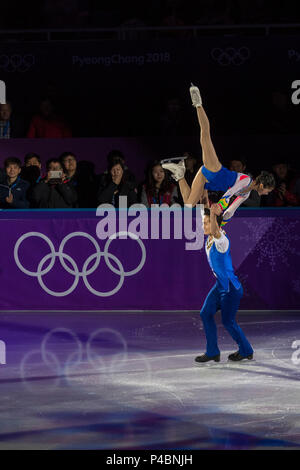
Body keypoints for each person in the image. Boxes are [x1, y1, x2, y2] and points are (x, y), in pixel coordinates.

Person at [162, 84, 275, 226]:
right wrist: (219, 207)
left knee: (189, 205)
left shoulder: (245, 194)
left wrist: (220, 226)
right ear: (262, 185)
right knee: (205, 137)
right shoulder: (246, 180)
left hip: (208, 180)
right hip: (215, 171)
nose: (267, 193)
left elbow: (231, 211)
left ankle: (179, 174)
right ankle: (198, 104)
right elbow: (229, 194)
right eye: (267, 190)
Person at [196, 201, 254, 363]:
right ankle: (212, 351)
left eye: (207, 223)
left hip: (230, 289)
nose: (203, 225)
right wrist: (203, 189)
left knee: (228, 322)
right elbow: (203, 207)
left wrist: (213, 215)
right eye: (204, 222)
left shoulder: (222, 241)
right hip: (220, 286)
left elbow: (215, 229)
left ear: (215, 223)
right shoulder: (211, 234)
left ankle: (246, 350)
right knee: (205, 313)